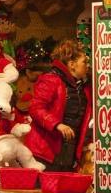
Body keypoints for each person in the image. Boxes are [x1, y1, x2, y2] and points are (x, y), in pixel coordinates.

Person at [25, 39, 92, 171]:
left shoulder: (83, 86)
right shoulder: (51, 80)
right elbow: (36, 108)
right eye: (84, 62)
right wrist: (56, 124)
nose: (87, 66)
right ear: (72, 64)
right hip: (47, 150)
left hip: (69, 149)